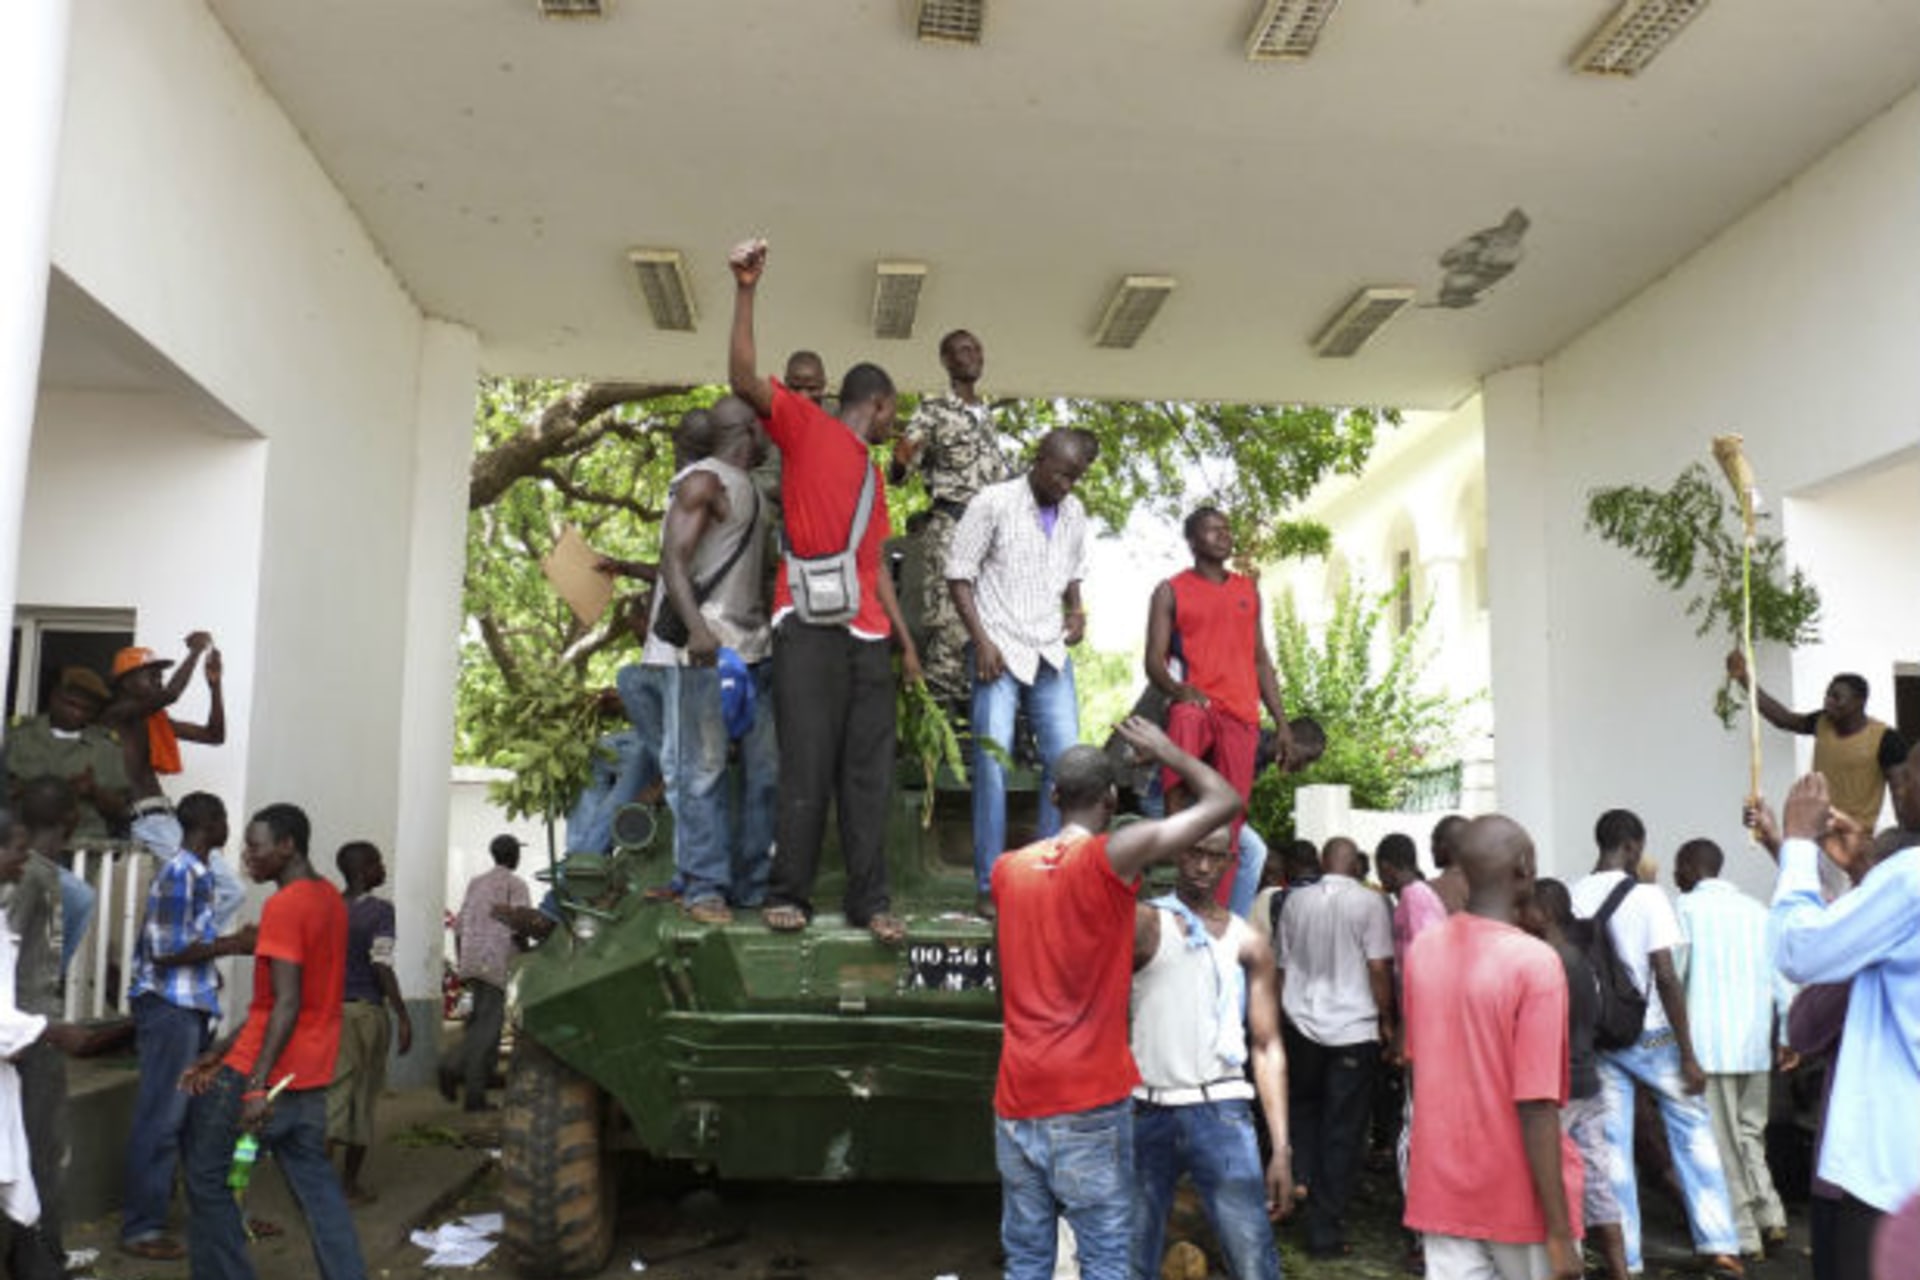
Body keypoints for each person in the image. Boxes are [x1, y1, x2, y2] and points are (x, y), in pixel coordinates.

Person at [991, 716, 1242, 1280]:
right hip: (1086, 1100)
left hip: (1016, 1097)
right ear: (1110, 799)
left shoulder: (1008, 870)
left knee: (1028, 1259)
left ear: (1054, 796)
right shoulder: (1112, 856)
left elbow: (1005, 985)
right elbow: (1224, 800)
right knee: (1106, 1257)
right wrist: (1169, 751)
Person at [726, 236, 922, 944]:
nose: (896, 421)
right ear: (879, 403)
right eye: (894, 410)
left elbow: (874, 572)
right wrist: (746, 289)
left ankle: (871, 903)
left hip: (866, 637)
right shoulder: (808, 427)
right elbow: (745, 376)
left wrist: (904, 644)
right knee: (806, 762)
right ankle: (791, 894)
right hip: (806, 623)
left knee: (866, 776)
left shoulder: (874, 478)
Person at [180, 802, 365, 1280]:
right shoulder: (330, 899)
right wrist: (214, 1052)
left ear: (288, 846)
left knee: (206, 1180)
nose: (247, 856)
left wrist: (256, 1085)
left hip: (260, 1077)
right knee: (318, 1189)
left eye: (256, 846)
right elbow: (271, 1004)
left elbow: (285, 1003)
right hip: (310, 1075)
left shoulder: (284, 905)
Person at [1402, 816, 1583, 1280]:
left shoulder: (1424, 949)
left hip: (1441, 1188)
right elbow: (1537, 1104)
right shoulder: (1535, 963)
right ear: (1525, 867)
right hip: (1519, 1197)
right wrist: (1560, 1232)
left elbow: (1421, 1060)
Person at [1571, 809, 1740, 1277]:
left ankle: (1626, 1257)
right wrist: (1688, 1053)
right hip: (1652, 1035)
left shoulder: (1572, 892)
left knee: (1612, 1148)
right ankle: (1718, 1244)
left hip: (1602, 1037)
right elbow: (1665, 974)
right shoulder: (1647, 896)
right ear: (1633, 847)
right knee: (1691, 1130)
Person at [1771, 762, 1920, 1279]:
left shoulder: (1911, 876)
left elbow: (1799, 949)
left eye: (1909, 775)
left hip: (1890, 1168)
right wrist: (1865, 874)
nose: (1896, 787)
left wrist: (1795, 845)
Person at [1129, 825, 1291, 1280]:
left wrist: (1280, 1146)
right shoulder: (1146, 923)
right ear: (1175, 855)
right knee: (1129, 1258)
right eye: (1193, 853)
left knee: (1253, 1258)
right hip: (1147, 1106)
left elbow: (1267, 1044)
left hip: (1221, 1108)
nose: (1202, 867)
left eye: (1213, 857)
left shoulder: (1248, 940)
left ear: (1229, 863)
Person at [945, 428, 1097, 915]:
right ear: (1038, 460)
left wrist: (1076, 610)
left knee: (1068, 764)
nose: (1067, 486)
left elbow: (1074, 571)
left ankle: (1046, 876)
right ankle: (991, 885)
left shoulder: (1073, 512)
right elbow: (959, 575)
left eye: (1075, 478)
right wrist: (982, 642)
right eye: (1061, 474)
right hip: (999, 648)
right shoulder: (993, 502)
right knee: (992, 765)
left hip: (1050, 650)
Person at [643, 396, 779, 924]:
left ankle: (751, 884)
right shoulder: (704, 481)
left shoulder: (753, 491)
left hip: (753, 649)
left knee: (765, 772)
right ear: (748, 430)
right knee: (701, 771)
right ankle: (704, 888)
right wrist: (698, 631)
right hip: (705, 653)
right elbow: (672, 559)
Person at [120, 792, 255, 1262]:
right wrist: (234, 944)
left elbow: (185, 943)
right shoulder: (181, 873)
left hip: (189, 1006)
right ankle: (141, 1228)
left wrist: (218, 955)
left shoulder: (197, 874)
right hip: (170, 1009)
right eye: (223, 817)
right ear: (209, 823)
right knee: (162, 1119)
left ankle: (210, 1213)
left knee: (193, 1118)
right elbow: (166, 950)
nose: (228, 827)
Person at [1147, 508, 1294, 907]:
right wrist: (1178, 689)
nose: (1224, 535)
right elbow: (1153, 661)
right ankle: (1175, 819)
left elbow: (1261, 658)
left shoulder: (1248, 590)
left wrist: (1281, 723)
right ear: (1193, 541)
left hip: (1241, 714)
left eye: (1227, 529)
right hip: (1200, 703)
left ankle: (1216, 908)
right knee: (1185, 715)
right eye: (1213, 530)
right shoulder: (1170, 589)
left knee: (1233, 817)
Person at [1274, 834, 1394, 1259]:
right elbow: (1378, 967)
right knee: (1343, 1131)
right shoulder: (1369, 903)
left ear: (1323, 862)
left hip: (1300, 1024)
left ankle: (1303, 1177)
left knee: (1305, 1109)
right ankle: (1324, 1229)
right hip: (1352, 1028)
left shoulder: (1294, 902)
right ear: (1356, 866)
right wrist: (1387, 1020)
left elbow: (1282, 968)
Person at [1672, 838, 1790, 1261]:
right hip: (1754, 1044)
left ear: (1690, 866)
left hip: (1709, 1048)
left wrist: (1661, 1041)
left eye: (1677, 867)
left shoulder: (1685, 910)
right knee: (1751, 1135)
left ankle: (1745, 1235)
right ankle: (1771, 1214)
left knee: (1722, 1143)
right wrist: (1788, 1035)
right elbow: (1783, 979)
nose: (1674, 875)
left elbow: (1674, 978)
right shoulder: (1759, 913)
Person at [888, 329, 1011, 709]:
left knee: (991, 621)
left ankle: (979, 723)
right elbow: (899, 473)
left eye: (975, 348)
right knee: (950, 625)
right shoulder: (933, 410)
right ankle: (941, 731)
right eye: (960, 350)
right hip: (952, 528)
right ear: (946, 361)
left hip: (991, 533)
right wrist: (901, 457)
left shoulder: (987, 416)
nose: (971, 355)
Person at [0, 807, 97, 1280]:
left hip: (19, 1042)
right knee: (34, 1156)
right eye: (17, 850)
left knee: (22, 1163)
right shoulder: (37, 884)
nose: (26, 859)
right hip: (23, 1036)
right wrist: (50, 1030)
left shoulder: (29, 888)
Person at [1535, 877, 1630, 1280]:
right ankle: (1621, 1271)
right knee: (1596, 1182)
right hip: (1588, 1082)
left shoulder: (1547, 962)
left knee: (1550, 1183)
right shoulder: (1581, 958)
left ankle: (1562, 1265)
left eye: (1523, 908)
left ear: (1543, 914)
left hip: (1557, 1090)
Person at [1725, 652, 1906, 832]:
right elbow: (1783, 719)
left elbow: (1900, 793)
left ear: (1859, 702)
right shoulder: (1822, 721)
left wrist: (1907, 841)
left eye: (1836, 697)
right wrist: (1744, 679)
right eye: (1827, 695)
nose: (1828, 701)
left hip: (1854, 839)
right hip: (1816, 832)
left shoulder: (1886, 739)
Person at [327, 841, 412, 1204]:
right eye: (378, 863)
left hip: (329, 1014)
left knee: (333, 1098)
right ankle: (348, 1185)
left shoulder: (328, 908)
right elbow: (381, 963)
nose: (384, 868)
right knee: (361, 1099)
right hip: (365, 1013)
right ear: (363, 870)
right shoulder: (380, 911)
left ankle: (313, 1185)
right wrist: (403, 1014)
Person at [99, 634, 226, 847]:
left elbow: (214, 736)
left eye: (160, 677)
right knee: (216, 876)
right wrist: (195, 652)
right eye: (152, 677)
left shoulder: (155, 720)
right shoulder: (115, 715)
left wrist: (215, 686)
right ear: (127, 682)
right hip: (144, 819)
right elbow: (171, 694)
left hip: (161, 816)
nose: (159, 682)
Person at [446, 834, 529, 1111]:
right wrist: (527, 956)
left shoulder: (475, 883)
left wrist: (462, 961)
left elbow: (459, 926)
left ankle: (473, 1086)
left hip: (470, 960)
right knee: (488, 1030)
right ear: (514, 855)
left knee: (477, 1023)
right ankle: (455, 1073)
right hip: (495, 963)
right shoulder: (515, 885)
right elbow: (520, 926)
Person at [2, 666, 129, 839]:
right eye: (71, 704)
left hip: (84, 846)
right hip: (23, 842)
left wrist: (94, 791)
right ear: (54, 697)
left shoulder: (106, 747)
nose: (77, 713)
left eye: (86, 709)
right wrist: (31, 789)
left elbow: (121, 809)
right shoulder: (18, 736)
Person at [1427, 813, 1469, 914]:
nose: (1431, 848)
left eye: (1434, 841)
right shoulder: (1485, 888)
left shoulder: (1430, 891)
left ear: (1443, 845)